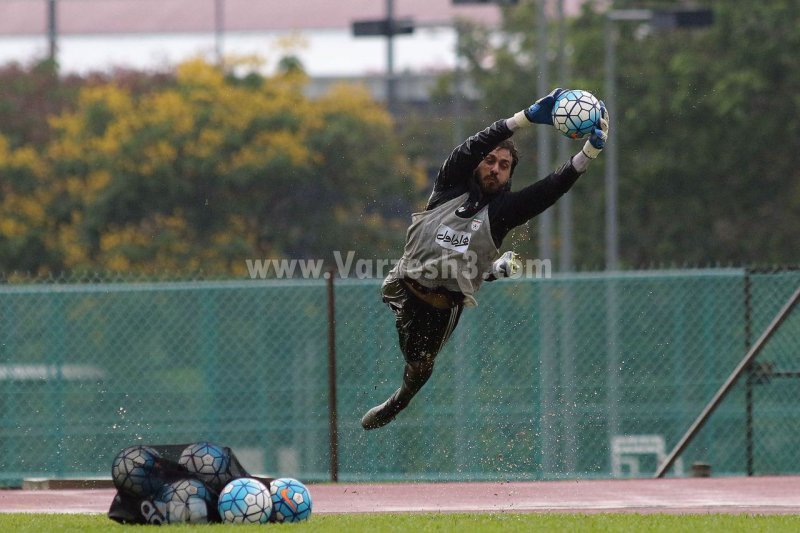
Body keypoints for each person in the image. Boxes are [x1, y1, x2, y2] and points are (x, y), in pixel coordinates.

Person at [361, 88, 610, 431]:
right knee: (394, 290)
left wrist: (588, 153)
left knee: (420, 368)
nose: (495, 169)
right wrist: (521, 119)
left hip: (441, 307)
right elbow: (468, 148)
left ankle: (401, 399)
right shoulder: (449, 185)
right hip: (404, 284)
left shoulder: (502, 213)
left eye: (504, 166)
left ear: (510, 175)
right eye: (490, 161)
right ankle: (489, 272)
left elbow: (548, 190)